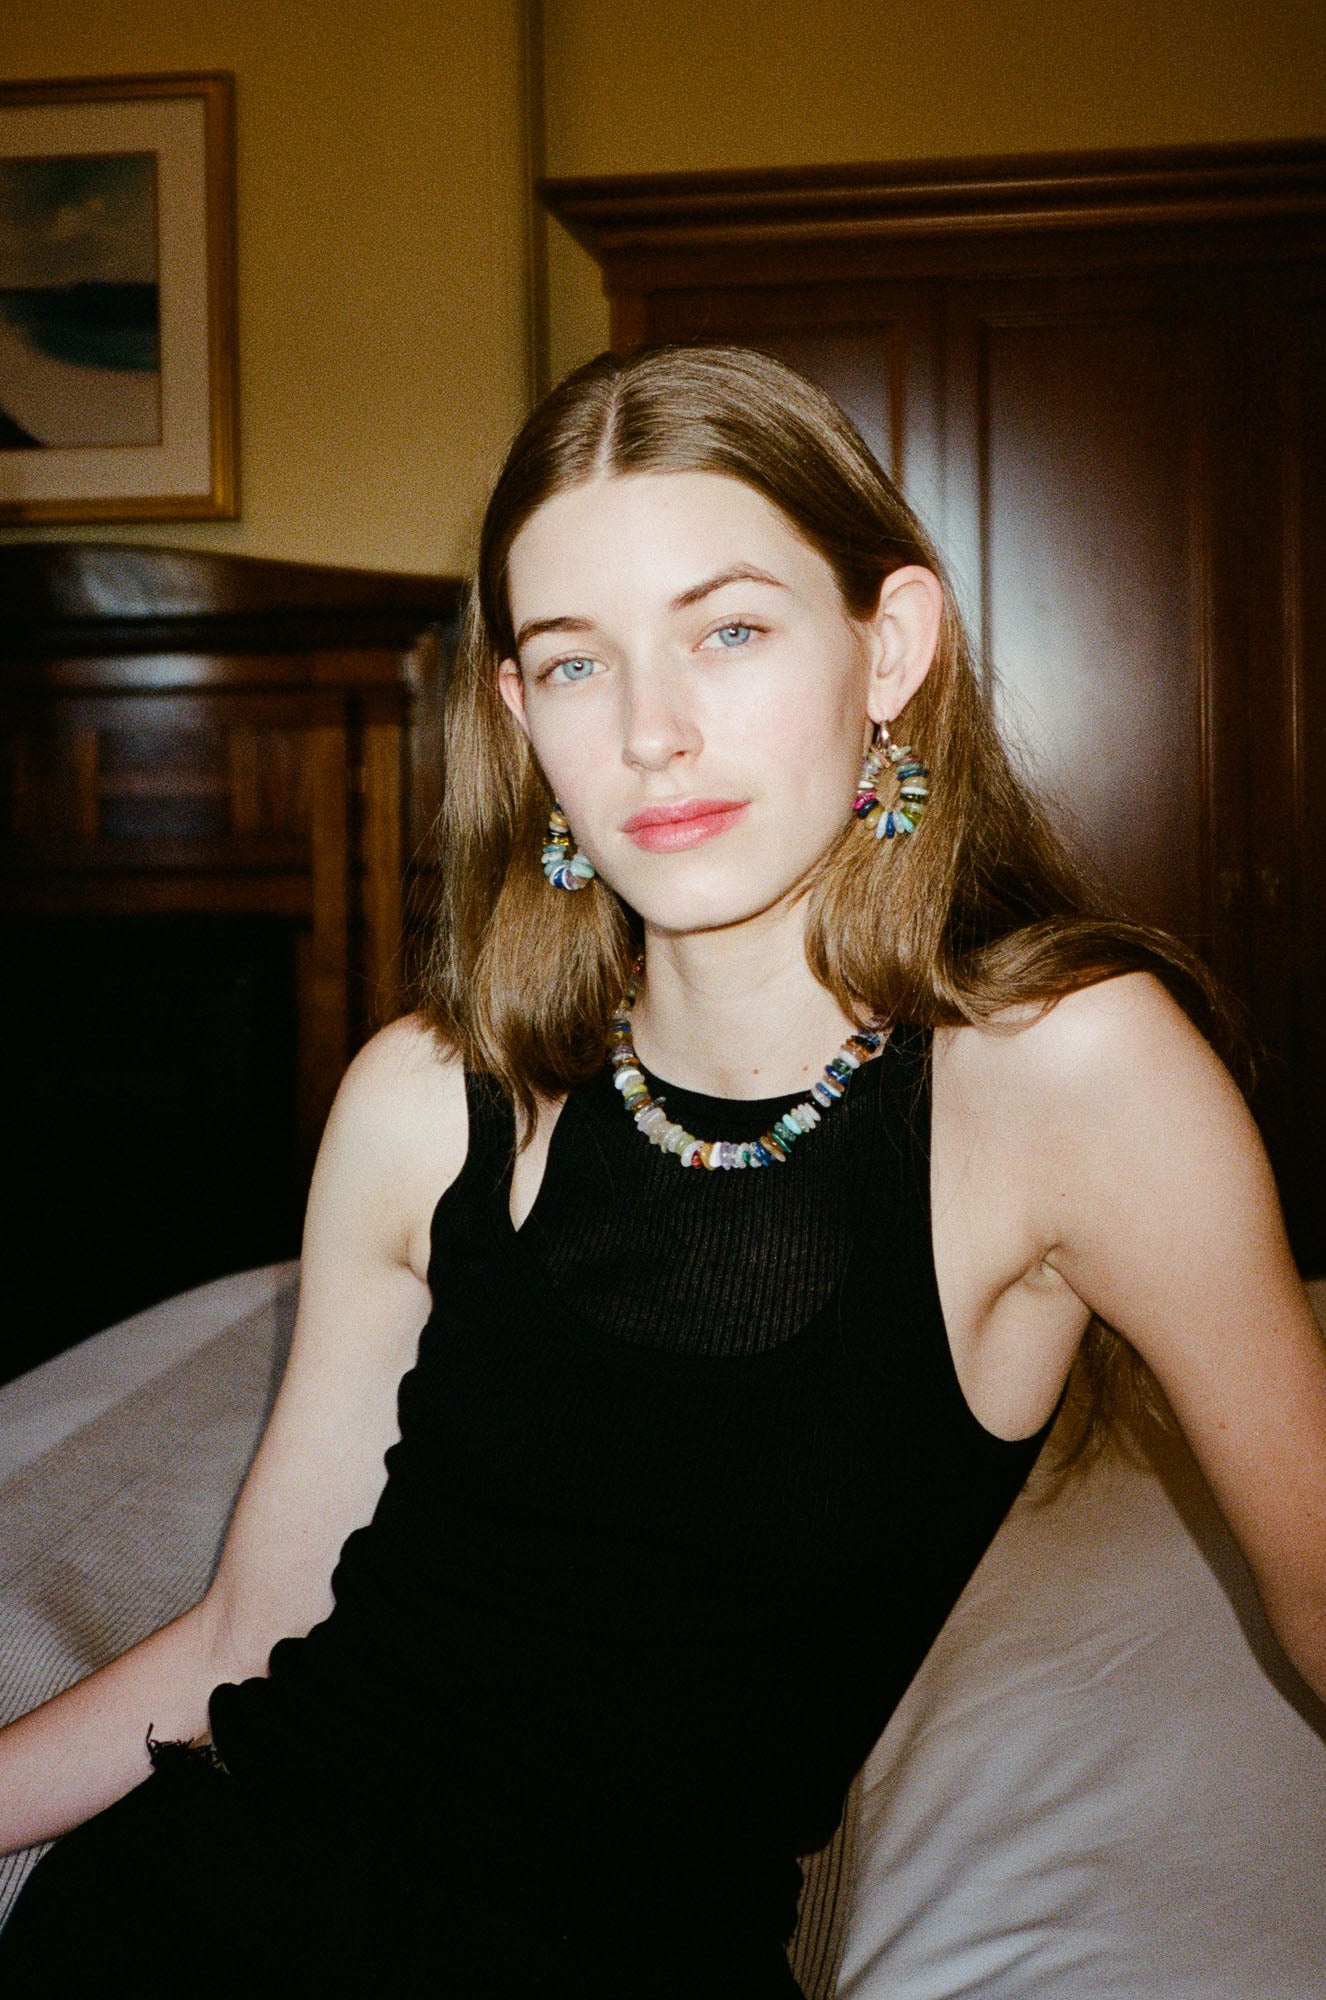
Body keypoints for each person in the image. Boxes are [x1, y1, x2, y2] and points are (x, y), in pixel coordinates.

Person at [0, 345, 1322, 1997]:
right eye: (574, 663)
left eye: (730, 631)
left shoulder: (1065, 1074)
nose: (650, 733)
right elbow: (248, 1641)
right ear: (518, 713)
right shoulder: (427, 1094)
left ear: (888, 645)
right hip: (194, 1923)